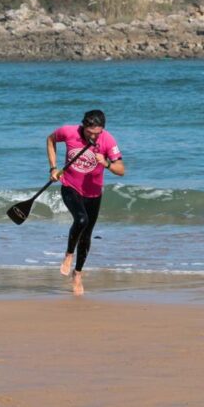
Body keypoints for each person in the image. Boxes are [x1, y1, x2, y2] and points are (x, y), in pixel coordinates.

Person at [46, 109, 125, 295]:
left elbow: (121, 169)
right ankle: (68, 254)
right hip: (70, 187)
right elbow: (50, 140)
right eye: (90, 132)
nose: (94, 136)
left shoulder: (108, 140)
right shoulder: (68, 132)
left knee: (87, 234)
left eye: (98, 133)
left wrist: (106, 163)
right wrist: (53, 168)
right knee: (81, 220)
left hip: (94, 194)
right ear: (83, 126)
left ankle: (78, 273)